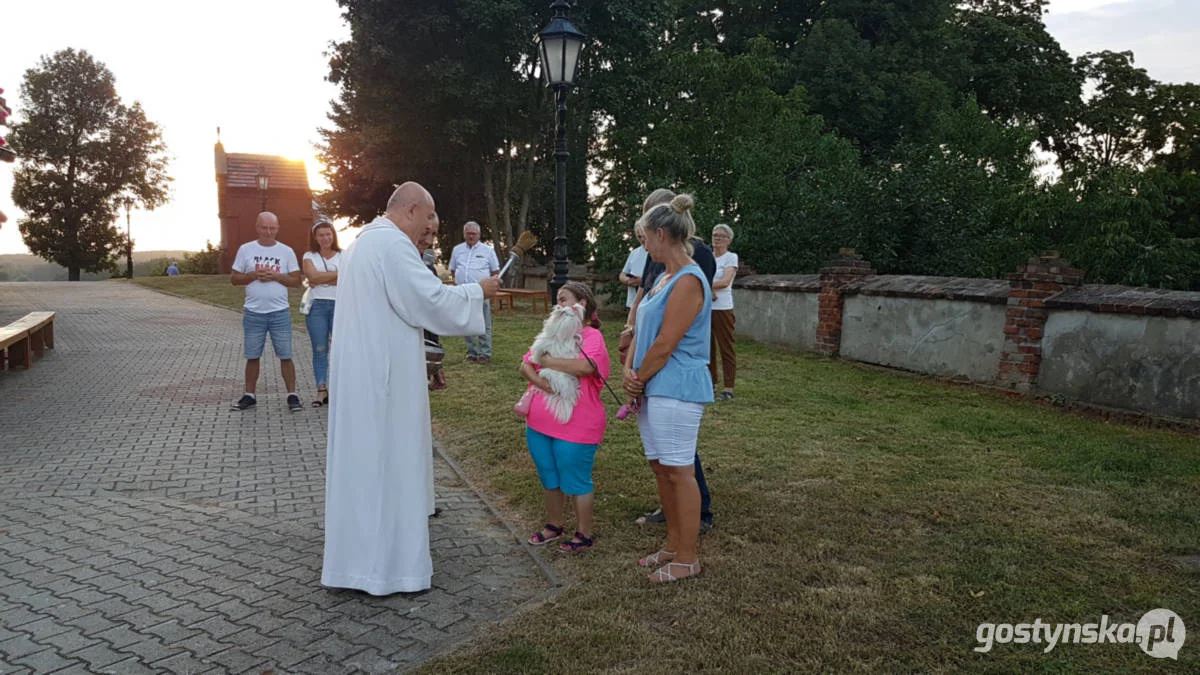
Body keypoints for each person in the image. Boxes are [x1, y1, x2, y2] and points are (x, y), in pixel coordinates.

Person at [322, 182, 502, 596]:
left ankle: (355, 562)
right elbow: (429, 301)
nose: (430, 232)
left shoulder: (360, 245)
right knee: (387, 462)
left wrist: (422, 361)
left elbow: (392, 314)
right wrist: (479, 291)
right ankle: (390, 570)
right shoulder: (392, 246)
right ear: (412, 210)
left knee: (365, 465)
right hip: (382, 381)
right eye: (429, 221)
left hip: (365, 372)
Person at [623, 193, 712, 583]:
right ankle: (673, 544)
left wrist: (637, 376)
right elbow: (642, 332)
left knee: (680, 472)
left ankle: (688, 557)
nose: (643, 246)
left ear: (661, 234)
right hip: (654, 384)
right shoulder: (662, 277)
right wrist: (630, 370)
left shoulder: (690, 280)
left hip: (676, 386)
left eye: (645, 238)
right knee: (661, 469)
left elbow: (665, 343)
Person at [520, 282, 610, 552]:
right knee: (549, 475)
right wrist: (542, 381)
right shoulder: (550, 333)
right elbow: (525, 363)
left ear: (581, 303)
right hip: (539, 423)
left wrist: (546, 362)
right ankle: (554, 525)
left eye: (563, 299)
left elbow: (586, 366)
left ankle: (583, 533)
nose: (558, 305)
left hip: (577, 425)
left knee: (576, 479)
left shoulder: (592, 337)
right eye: (557, 301)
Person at [229, 212, 303, 412]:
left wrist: (276, 276)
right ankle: (249, 395)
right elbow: (234, 278)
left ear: (278, 228)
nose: (268, 232)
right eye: (264, 228)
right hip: (253, 312)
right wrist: (253, 275)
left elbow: (297, 281)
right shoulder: (246, 249)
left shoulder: (286, 251)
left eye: (272, 228)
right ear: (257, 227)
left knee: (286, 355)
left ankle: (292, 395)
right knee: (252, 355)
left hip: (280, 312)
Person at [448, 221, 500, 363]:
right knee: (466, 323)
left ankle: (485, 353)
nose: (471, 236)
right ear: (464, 234)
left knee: (484, 323)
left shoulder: (487, 251)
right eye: (468, 233)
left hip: (482, 293)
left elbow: (495, 272)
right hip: (463, 293)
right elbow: (453, 269)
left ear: (479, 235)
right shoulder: (457, 250)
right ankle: (472, 352)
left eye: (474, 234)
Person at [302, 218, 341, 407]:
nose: (325, 238)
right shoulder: (309, 255)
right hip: (317, 306)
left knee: (340, 349)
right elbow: (312, 276)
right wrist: (337, 276)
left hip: (340, 305)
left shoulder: (344, 255)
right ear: (315, 237)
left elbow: (349, 278)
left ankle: (340, 390)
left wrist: (322, 279)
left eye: (328, 234)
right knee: (320, 349)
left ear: (333, 235)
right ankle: (321, 389)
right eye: (321, 235)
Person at [709, 224, 739, 401]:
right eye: (715, 235)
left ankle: (729, 386)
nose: (717, 238)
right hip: (707, 307)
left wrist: (706, 285)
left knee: (725, 346)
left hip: (722, 307)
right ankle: (711, 382)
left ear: (729, 240)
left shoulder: (730, 258)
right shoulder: (708, 257)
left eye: (721, 236)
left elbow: (725, 282)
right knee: (707, 347)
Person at [619, 224, 648, 310]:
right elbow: (622, 274)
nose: (642, 239)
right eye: (639, 237)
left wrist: (643, 282)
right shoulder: (634, 253)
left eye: (644, 236)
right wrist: (628, 280)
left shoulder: (656, 252)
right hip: (632, 303)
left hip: (647, 301)